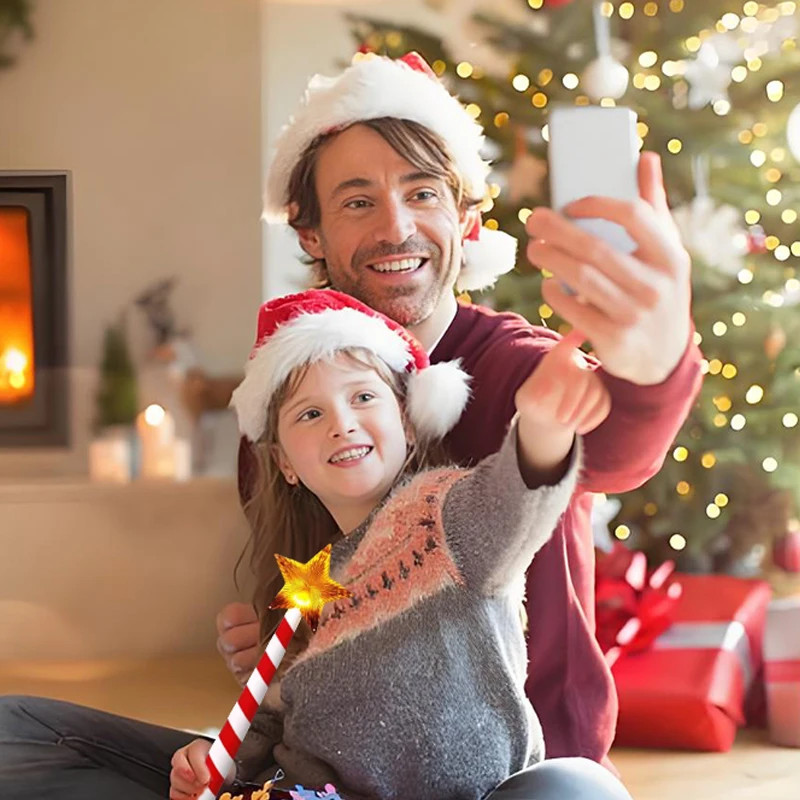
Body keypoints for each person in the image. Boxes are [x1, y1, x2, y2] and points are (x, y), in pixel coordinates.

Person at [219, 50, 703, 766]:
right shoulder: (283, 412)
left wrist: (656, 358)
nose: (396, 228)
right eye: (358, 201)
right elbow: (304, 597)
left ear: (465, 218)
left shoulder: (517, 365)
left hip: (530, 770)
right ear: (309, 233)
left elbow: (622, 445)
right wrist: (269, 656)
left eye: (422, 194)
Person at [171, 286, 630, 800]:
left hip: (490, 793)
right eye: (310, 414)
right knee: (60, 732)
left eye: (363, 397)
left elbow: (514, 499)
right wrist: (217, 759)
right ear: (284, 465)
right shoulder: (306, 587)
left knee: (577, 787)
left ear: (408, 426)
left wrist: (544, 428)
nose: (342, 424)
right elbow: (273, 723)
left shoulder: (444, 518)